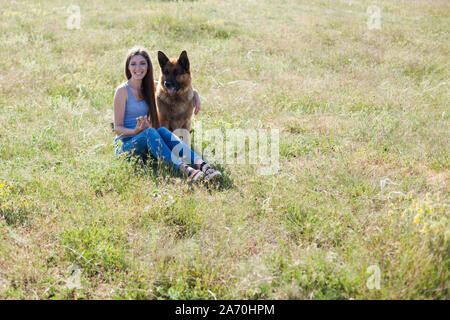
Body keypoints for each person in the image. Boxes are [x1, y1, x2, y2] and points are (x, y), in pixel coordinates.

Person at [113, 46, 222, 183]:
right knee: (151, 132)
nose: (138, 68)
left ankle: (205, 167)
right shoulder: (122, 91)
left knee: (161, 131)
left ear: (148, 67)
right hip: (126, 146)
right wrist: (135, 131)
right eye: (133, 64)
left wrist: (195, 94)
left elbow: (181, 86)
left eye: (142, 64)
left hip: (148, 144)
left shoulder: (149, 86)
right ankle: (187, 170)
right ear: (128, 67)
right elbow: (117, 128)